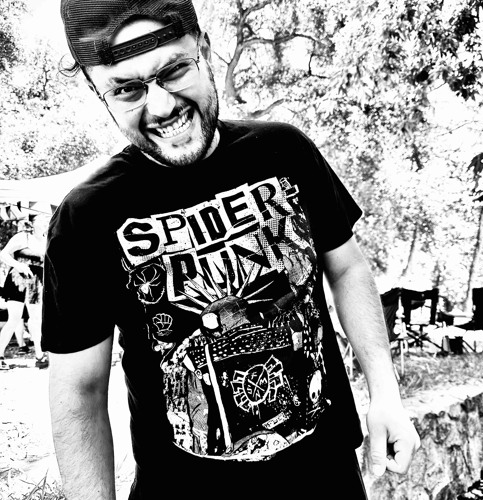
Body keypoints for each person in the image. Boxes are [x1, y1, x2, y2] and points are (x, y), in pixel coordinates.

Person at [43, 1, 421, 498]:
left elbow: (347, 267)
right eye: (127, 89)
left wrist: (385, 392)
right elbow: (79, 390)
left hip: (327, 478)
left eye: (174, 70)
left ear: (204, 49)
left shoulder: (285, 151)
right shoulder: (85, 217)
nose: (161, 107)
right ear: (100, 94)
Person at [0, 207, 51, 370]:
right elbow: (3, 254)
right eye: (41, 220)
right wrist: (19, 265)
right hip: (18, 279)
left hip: (36, 283)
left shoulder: (47, 239)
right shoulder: (23, 237)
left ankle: (40, 356)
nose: (45, 223)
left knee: (36, 319)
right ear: (33, 223)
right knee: (14, 319)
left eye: (46, 220)